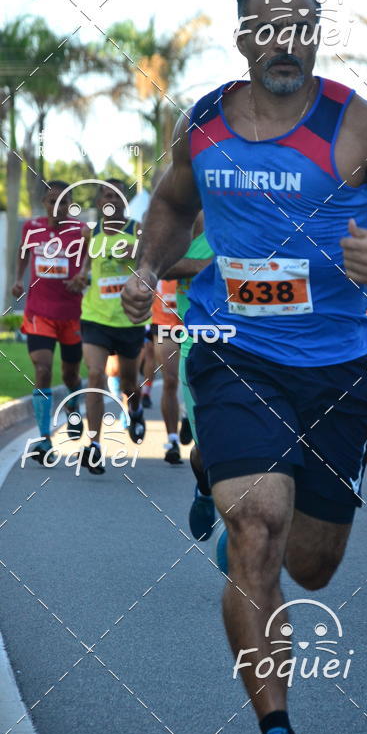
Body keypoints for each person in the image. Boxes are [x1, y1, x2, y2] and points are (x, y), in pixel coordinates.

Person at [121, 0, 367, 734]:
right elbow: (171, 203)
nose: (284, 41)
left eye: (300, 25)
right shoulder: (203, 124)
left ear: (314, 36)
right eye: (267, 26)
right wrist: (146, 269)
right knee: (257, 526)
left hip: (336, 366)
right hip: (233, 349)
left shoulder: (360, 125)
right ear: (242, 39)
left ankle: (222, 475)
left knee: (314, 564)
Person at [12, 179, 88, 462]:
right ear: (45, 203)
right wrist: (19, 280)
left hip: (72, 315)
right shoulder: (32, 227)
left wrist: (84, 278)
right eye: (52, 200)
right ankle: (44, 440)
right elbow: (23, 251)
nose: (58, 206)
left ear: (71, 205)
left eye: (64, 201)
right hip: (39, 312)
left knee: (70, 374)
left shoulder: (81, 232)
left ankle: (73, 405)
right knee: (42, 369)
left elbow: (93, 266)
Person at [79, 179, 147, 474]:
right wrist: (80, 277)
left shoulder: (138, 230)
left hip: (128, 319)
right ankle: (93, 446)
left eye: (118, 195)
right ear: (99, 202)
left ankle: (135, 409)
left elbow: (148, 263)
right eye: (107, 194)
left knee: (129, 383)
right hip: (95, 317)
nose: (113, 199)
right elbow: (84, 267)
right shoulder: (89, 233)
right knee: (95, 375)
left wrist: (133, 254)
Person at [160, 213, 215, 538]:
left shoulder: (254, 222)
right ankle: (206, 490)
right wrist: (204, 265)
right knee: (205, 448)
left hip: (253, 347)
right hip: (197, 345)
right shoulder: (188, 224)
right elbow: (157, 266)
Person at [151, 279, 184, 464]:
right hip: (165, 325)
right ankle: (173, 440)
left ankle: (187, 415)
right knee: (170, 381)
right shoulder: (160, 254)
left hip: (194, 323)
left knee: (197, 379)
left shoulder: (201, 252)